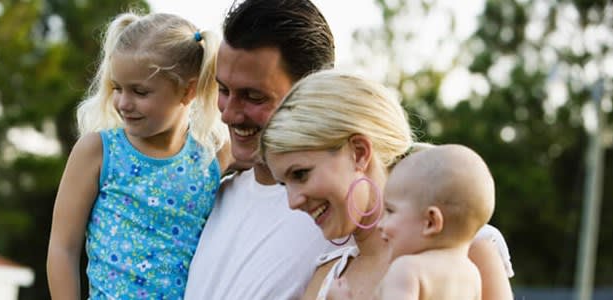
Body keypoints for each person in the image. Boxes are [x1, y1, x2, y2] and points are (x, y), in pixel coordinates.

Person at [260, 70, 514, 299]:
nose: (293, 202)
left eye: (301, 174)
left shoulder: (467, 251)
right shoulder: (326, 280)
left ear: (359, 152)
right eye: (284, 184)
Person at [46, 11, 230, 299]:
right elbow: (62, 247)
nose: (122, 103)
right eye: (117, 88)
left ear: (188, 90)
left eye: (140, 92)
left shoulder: (214, 156)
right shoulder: (97, 151)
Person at [183, 0, 337, 299]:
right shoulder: (212, 193)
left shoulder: (340, 214)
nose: (228, 114)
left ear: (314, 90)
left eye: (253, 97)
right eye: (224, 90)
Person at [326, 144, 497, 300]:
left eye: (391, 211)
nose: (380, 224)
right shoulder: (472, 275)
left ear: (430, 222)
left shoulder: (406, 270)